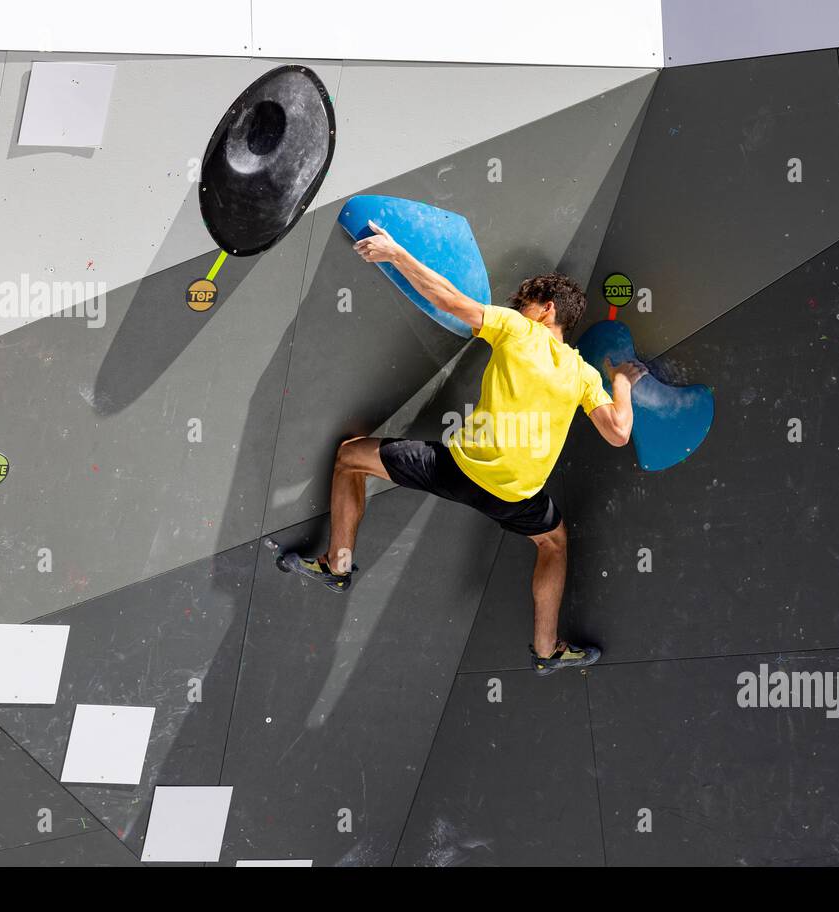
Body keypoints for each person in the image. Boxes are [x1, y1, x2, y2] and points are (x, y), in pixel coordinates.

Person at [276, 222, 646, 676]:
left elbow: (451, 301)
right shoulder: (584, 375)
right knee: (553, 542)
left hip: (460, 471)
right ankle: (547, 652)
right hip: (516, 497)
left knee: (351, 457)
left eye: (524, 303)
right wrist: (623, 383)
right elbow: (618, 433)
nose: (516, 307)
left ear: (546, 309)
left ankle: (338, 565)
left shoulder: (517, 329)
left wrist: (397, 254)